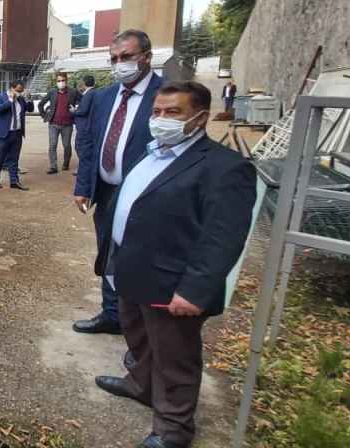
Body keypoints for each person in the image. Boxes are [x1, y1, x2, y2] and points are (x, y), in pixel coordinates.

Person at [93, 81, 256, 448]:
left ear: (200, 118)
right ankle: (141, 385)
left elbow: (223, 237)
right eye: (156, 112)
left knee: (174, 357)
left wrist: (195, 290)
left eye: (173, 112)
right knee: (138, 337)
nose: (160, 119)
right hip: (131, 268)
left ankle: (173, 430)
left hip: (171, 283)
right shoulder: (154, 152)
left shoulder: (225, 167)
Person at [73, 29, 163, 336]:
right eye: (114, 58)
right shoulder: (103, 97)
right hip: (107, 192)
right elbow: (88, 143)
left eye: (126, 56)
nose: (119, 64)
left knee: (141, 260)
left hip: (146, 197)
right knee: (108, 253)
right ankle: (112, 315)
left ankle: (140, 331)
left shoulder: (166, 96)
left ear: (146, 57)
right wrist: (83, 187)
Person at [0, 80, 34, 190]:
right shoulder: (0, 97)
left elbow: (30, 109)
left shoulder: (21, 99)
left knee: (14, 158)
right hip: (4, 133)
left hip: (17, 132)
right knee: (1, 157)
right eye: (18, 90)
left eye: (21, 91)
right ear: (11, 89)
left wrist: (29, 98)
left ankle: (14, 181)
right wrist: (10, 100)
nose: (20, 93)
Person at [40, 71, 80, 174]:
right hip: (53, 124)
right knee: (52, 145)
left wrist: (76, 111)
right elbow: (41, 104)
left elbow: (84, 101)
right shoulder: (52, 92)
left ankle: (66, 163)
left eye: (63, 80)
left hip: (68, 124)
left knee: (66, 145)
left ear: (66, 80)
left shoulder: (73, 92)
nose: (61, 82)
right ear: (56, 81)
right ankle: (53, 166)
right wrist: (45, 116)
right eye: (59, 81)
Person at [73, 74, 97, 174]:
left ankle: (84, 168)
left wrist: (74, 111)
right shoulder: (94, 92)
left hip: (84, 127)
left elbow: (83, 111)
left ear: (84, 83)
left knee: (80, 147)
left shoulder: (89, 94)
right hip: (88, 125)